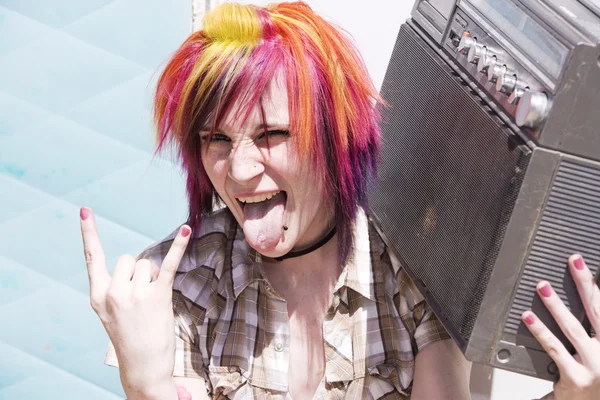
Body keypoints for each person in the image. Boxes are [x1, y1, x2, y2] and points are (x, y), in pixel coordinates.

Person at [79, 2, 600, 399]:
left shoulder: (407, 270)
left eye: (273, 134)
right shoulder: (178, 288)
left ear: (332, 136)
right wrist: (145, 383)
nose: (238, 171)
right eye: (216, 139)